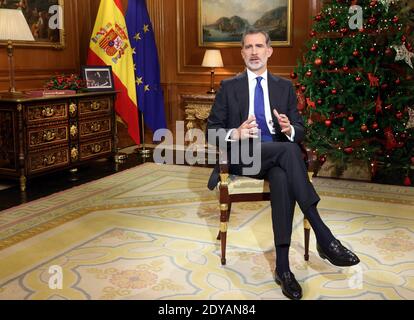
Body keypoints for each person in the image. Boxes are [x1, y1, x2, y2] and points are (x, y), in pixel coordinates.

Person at [206, 27, 360, 300]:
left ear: (269, 50)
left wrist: (289, 129)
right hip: (245, 157)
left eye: (259, 46)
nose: (254, 52)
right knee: (289, 154)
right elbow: (211, 131)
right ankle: (324, 236)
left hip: (276, 158)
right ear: (242, 52)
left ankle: (283, 268)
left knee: (281, 175)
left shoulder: (284, 87)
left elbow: (299, 130)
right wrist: (236, 133)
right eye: (248, 47)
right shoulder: (229, 87)